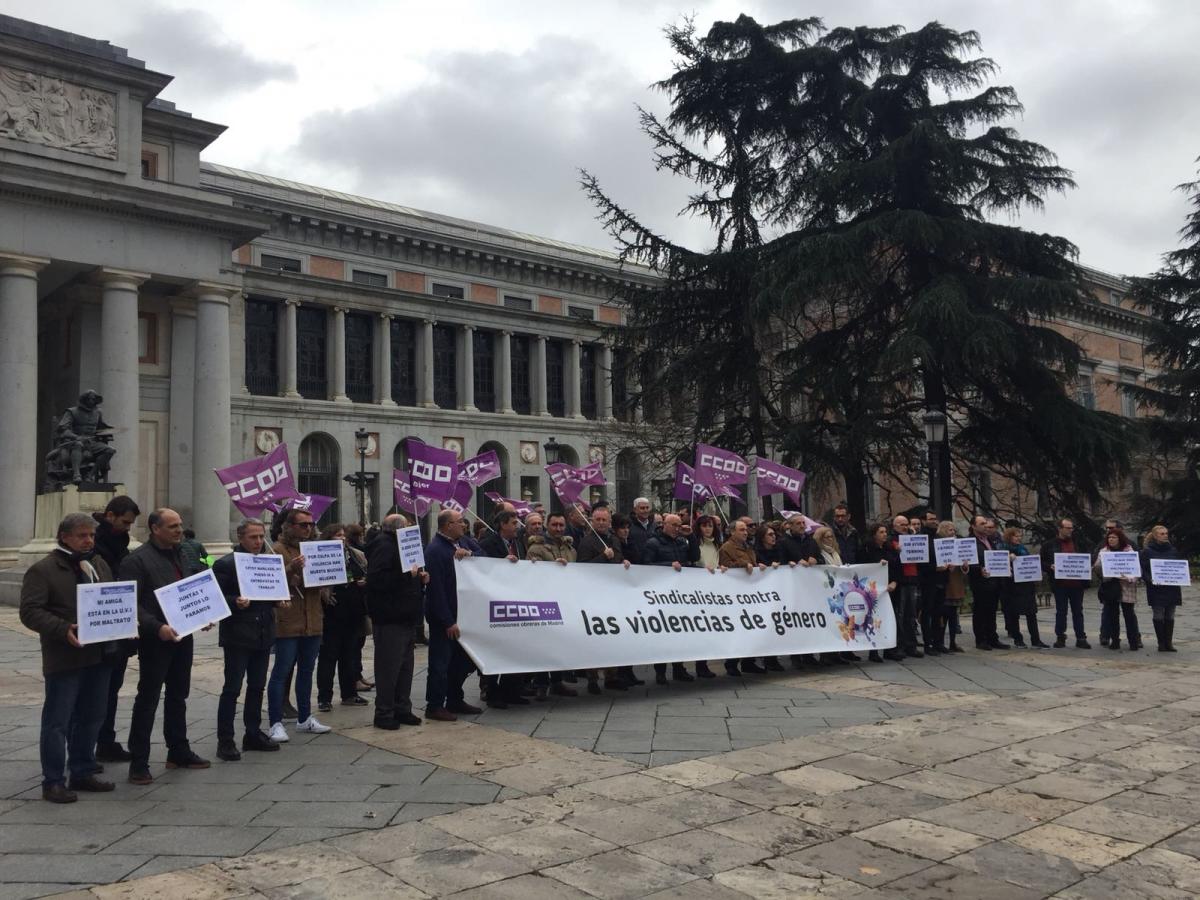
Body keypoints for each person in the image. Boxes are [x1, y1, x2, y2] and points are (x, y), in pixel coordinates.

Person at [20, 513, 116, 802]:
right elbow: (30, 611)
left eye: (91, 536)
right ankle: (53, 781)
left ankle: (83, 770)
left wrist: (123, 622)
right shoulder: (43, 570)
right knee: (58, 720)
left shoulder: (97, 563)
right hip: (65, 656)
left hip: (99, 653)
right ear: (64, 536)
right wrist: (63, 629)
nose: (89, 540)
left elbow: (111, 597)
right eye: (82, 535)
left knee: (92, 716)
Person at [122, 508, 209, 784]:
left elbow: (189, 590)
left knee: (178, 695)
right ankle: (138, 761)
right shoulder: (136, 561)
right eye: (172, 526)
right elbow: (130, 603)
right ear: (154, 528)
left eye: (180, 525)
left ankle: (178, 750)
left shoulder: (183, 553)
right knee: (148, 699)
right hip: (155, 639)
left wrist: (203, 614)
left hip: (182, 636)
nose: (179, 530)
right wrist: (155, 627)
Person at [211, 519, 283, 761]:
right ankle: (226, 739)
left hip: (263, 632)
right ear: (241, 538)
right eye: (253, 537)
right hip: (238, 635)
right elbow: (217, 597)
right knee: (232, 688)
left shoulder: (268, 562)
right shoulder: (226, 564)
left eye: (261, 537)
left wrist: (279, 599)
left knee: (256, 686)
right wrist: (234, 602)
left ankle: (252, 732)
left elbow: (268, 591)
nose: (259, 542)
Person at [268, 509, 332, 742]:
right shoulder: (277, 550)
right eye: (302, 525)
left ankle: (305, 718)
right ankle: (275, 722)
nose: (308, 529)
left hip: (313, 620)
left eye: (310, 524)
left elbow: (323, 579)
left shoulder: (314, 549)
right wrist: (289, 569)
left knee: (306, 671)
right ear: (289, 526)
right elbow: (270, 581)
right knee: (281, 672)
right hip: (288, 622)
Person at [366, 514, 429, 729]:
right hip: (390, 616)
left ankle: (402, 708)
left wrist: (418, 578)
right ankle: (384, 713)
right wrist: (406, 576)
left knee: (404, 667)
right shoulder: (384, 546)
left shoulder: (400, 544)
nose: (411, 528)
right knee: (388, 668)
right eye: (408, 525)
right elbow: (377, 580)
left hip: (405, 614)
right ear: (398, 528)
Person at [90, 495, 140, 764]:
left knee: (111, 689)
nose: (128, 528)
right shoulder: (97, 545)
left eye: (131, 524)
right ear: (110, 516)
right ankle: (87, 748)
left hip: (119, 626)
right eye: (125, 522)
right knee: (96, 692)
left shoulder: (120, 543)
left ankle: (105, 740)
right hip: (102, 626)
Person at [424, 509, 483, 720]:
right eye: (460, 522)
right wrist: (447, 621)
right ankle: (435, 704)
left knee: (462, 662)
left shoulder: (463, 542)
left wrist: (470, 555)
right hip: (446, 618)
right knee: (440, 663)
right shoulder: (436, 550)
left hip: (464, 614)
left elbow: (483, 556)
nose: (464, 525)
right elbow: (436, 590)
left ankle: (455, 698)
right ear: (448, 525)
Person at [578, 506, 632, 692]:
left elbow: (618, 558)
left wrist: (623, 561)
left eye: (604, 520)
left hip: (612, 594)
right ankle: (592, 678)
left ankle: (612, 675)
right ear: (592, 521)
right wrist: (603, 556)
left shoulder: (614, 539)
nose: (601, 523)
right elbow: (583, 568)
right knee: (594, 639)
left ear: (609, 522)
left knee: (612, 637)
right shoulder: (586, 542)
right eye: (598, 520)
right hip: (594, 596)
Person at [316, 523, 369, 712]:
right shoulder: (321, 555)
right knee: (329, 656)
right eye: (337, 535)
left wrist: (365, 582)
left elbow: (365, 572)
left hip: (353, 609)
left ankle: (349, 693)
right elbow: (316, 580)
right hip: (332, 611)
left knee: (350, 654)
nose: (342, 538)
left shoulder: (355, 554)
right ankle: (324, 697)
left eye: (343, 535)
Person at [478, 510, 529, 708]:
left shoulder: (518, 542)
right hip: (496, 604)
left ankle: (512, 690)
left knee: (515, 649)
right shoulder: (488, 544)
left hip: (515, 600)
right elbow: (482, 568)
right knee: (496, 650)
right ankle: (492, 693)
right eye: (514, 523)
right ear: (502, 525)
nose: (517, 526)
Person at [526, 512, 579, 699]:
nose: (558, 529)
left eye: (561, 525)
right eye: (554, 525)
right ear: (547, 526)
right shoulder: (536, 548)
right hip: (544, 601)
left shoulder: (570, 549)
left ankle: (557, 681)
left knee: (559, 643)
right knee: (543, 644)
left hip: (564, 600)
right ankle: (541, 682)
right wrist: (552, 568)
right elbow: (532, 575)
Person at [644, 514, 698, 684]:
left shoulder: (682, 542)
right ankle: (660, 671)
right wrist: (668, 566)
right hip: (661, 596)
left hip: (679, 595)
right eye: (674, 525)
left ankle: (678, 667)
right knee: (662, 635)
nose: (677, 528)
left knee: (680, 634)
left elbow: (694, 557)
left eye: (679, 525)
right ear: (665, 525)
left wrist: (691, 536)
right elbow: (645, 566)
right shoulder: (653, 543)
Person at [719, 519, 763, 676]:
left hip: (750, 594)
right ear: (732, 532)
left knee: (752, 629)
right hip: (736, 595)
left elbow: (753, 564)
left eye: (746, 530)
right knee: (738, 630)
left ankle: (748, 661)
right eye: (742, 530)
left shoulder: (748, 547)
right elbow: (725, 569)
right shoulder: (727, 548)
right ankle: (731, 663)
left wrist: (759, 567)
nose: (745, 532)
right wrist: (742, 565)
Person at [1040, 518, 1092, 649]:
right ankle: (1060, 637)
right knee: (1061, 611)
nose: (1071, 530)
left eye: (1072, 528)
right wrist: (1049, 566)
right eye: (1068, 528)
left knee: (1078, 611)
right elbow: (1040, 562)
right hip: (1060, 584)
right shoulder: (1049, 545)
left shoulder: (1078, 543)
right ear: (1060, 529)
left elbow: (1087, 557)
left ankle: (1081, 637)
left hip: (1077, 584)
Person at [1094, 527, 1142, 651]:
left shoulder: (1129, 551)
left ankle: (1133, 641)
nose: (1111, 539)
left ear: (1120, 539)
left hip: (1127, 586)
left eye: (1114, 537)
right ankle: (1115, 640)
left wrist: (1131, 578)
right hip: (1111, 586)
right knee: (1113, 615)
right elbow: (1098, 568)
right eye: (1109, 537)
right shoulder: (1104, 551)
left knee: (1129, 615)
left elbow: (1136, 569)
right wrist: (1099, 565)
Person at [999, 526, 1047, 648]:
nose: (1018, 538)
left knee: (1031, 613)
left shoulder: (1022, 548)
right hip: (1012, 586)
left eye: (1020, 536)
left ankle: (1036, 639)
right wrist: (1008, 559)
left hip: (1026, 585)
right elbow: (998, 563)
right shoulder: (1003, 548)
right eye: (1016, 536)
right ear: (1009, 537)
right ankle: (1017, 639)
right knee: (1014, 613)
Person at [861, 524, 902, 661]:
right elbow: (862, 567)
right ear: (874, 534)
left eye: (885, 532)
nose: (885, 534)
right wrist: (877, 564)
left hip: (889, 589)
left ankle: (890, 649)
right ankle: (874, 651)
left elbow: (897, 567)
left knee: (890, 618)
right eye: (881, 532)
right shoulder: (866, 549)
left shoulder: (890, 548)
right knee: (874, 619)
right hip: (873, 590)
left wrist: (895, 581)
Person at [966, 514, 1008, 651]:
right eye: (982, 524)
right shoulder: (969, 542)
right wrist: (979, 570)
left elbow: (996, 557)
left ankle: (992, 638)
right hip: (980, 582)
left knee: (992, 611)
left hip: (994, 581)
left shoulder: (991, 539)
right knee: (980, 611)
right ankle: (981, 639)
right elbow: (966, 562)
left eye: (985, 523)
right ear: (973, 526)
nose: (985, 526)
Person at [1141, 524, 1182, 652]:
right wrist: (1150, 580)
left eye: (1166, 533)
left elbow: (1179, 567)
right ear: (1154, 536)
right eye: (1162, 533)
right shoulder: (1147, 551)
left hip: (1171, 588)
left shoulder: (1173, 550)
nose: (1165, 536)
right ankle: (1161, 643)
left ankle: (1168, 642)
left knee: (1170, 614)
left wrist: (1183, 576)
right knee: (1158, 614)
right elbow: (1143, 569)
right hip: (1156, 588)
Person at [889, 515, 924, 658]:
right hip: (901, 580)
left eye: (906, 524)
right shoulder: (892, 540)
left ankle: (911, 644)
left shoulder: (912, 537)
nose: (905, 527)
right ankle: (900, 644)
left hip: (912, 578)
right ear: (895, 526)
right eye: (901, 524)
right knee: (900, 614)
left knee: (911, 614)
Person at [627, 497, 656, 562]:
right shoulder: (628, 525)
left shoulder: (654, 525)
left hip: (653, 564)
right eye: (642, 508)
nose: (645, 510)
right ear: (635, 510)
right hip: (635, 565)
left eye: (647, 508)